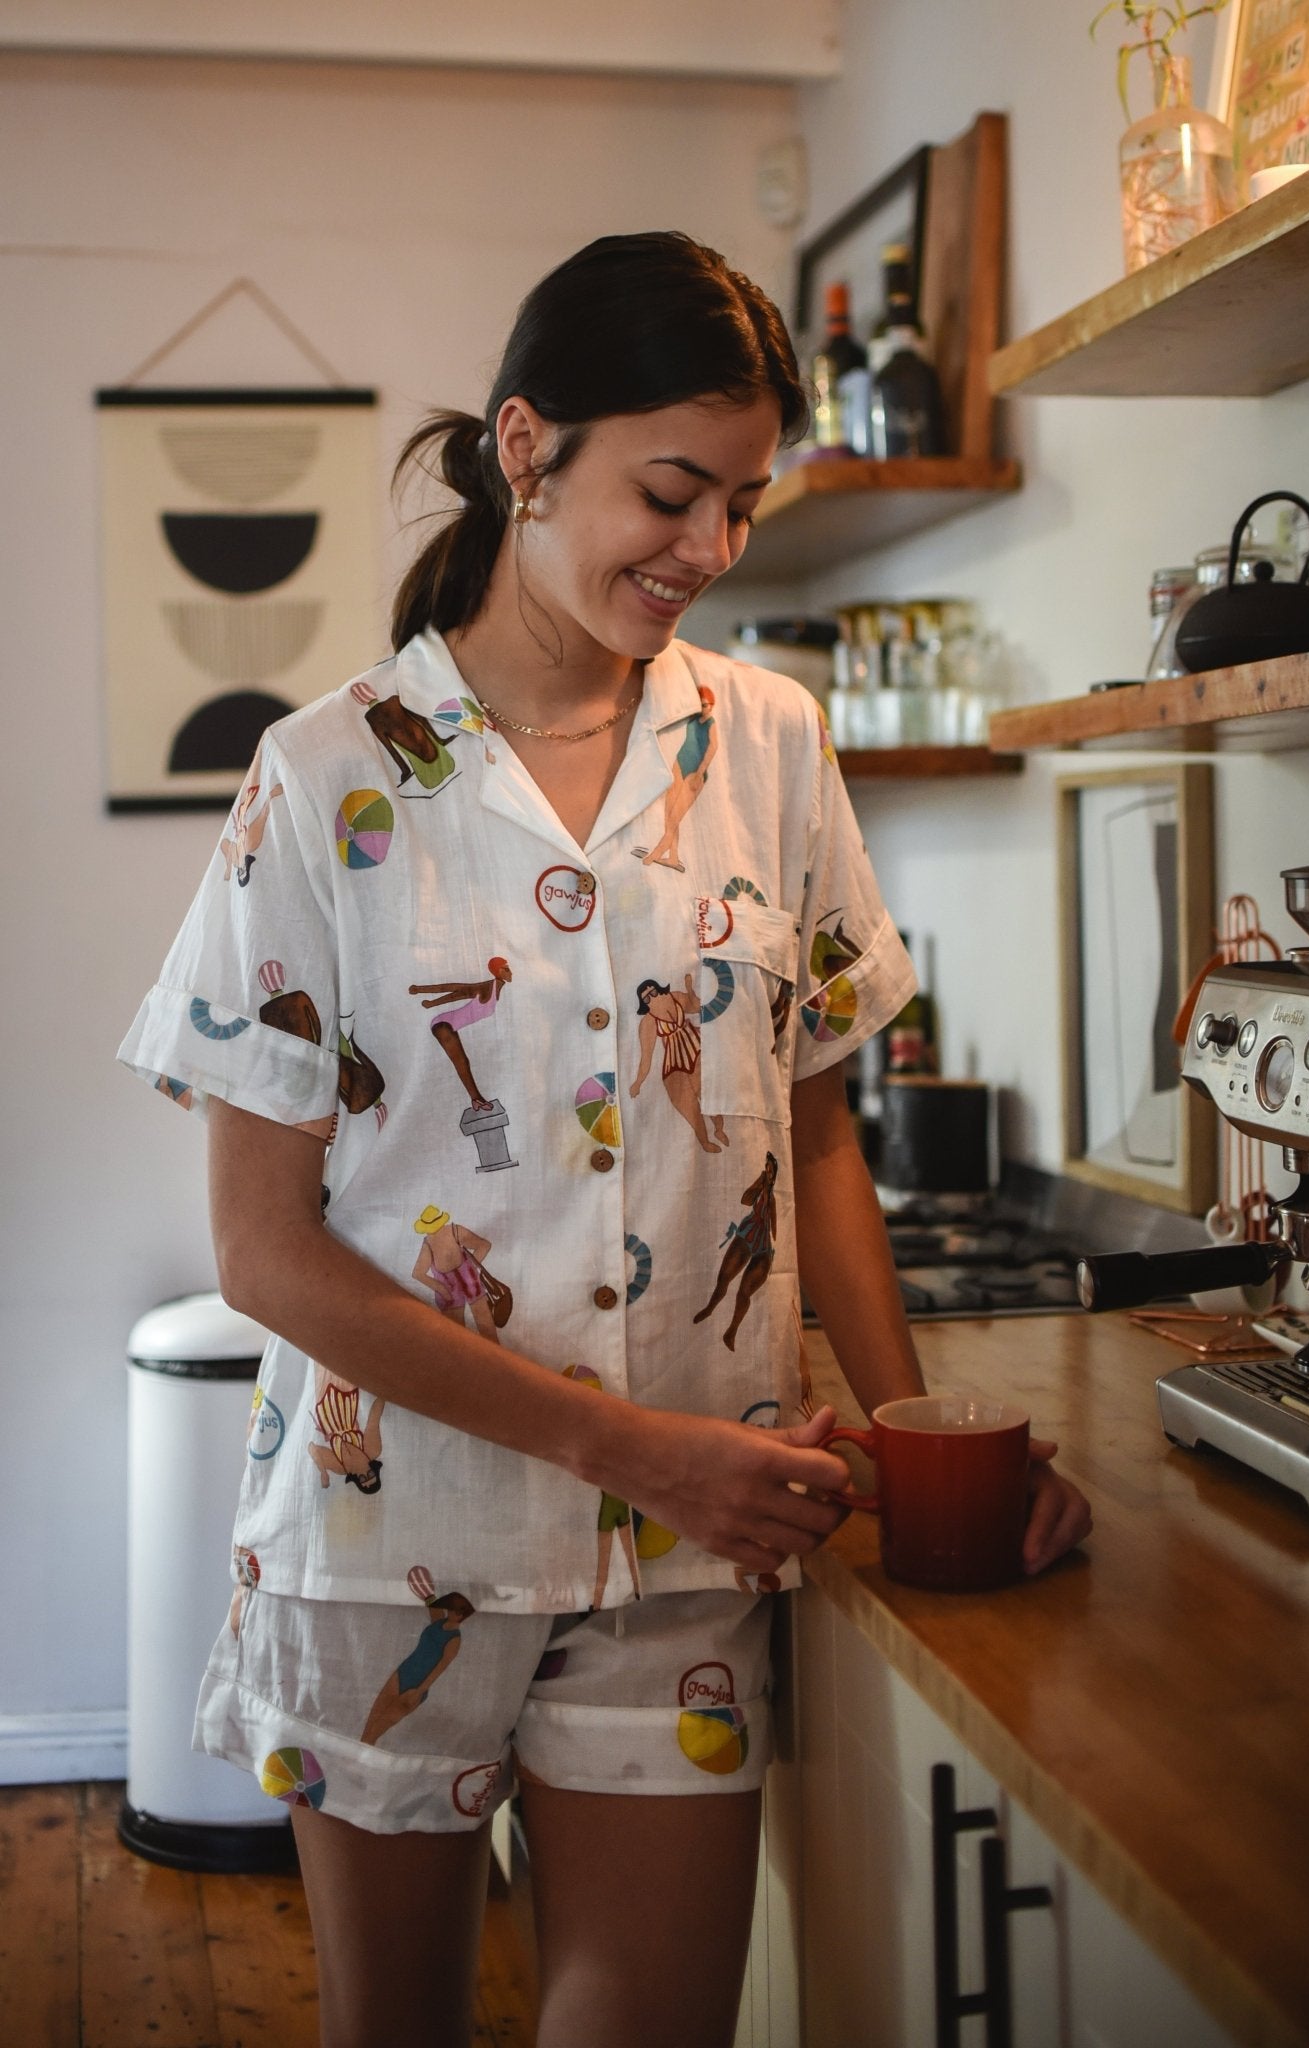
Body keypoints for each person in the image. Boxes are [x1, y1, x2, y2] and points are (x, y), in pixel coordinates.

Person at [118, 230, 1090, 2048]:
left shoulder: (772, 746)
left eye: (744, 504)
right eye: (671, 491)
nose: (710, 552)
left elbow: (815, 1142)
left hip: (693, 1557)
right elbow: (265, 1253)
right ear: (525, 446)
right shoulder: (326, 779)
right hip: (383, 1528)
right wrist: (639, 1449)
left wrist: (931, 1453)